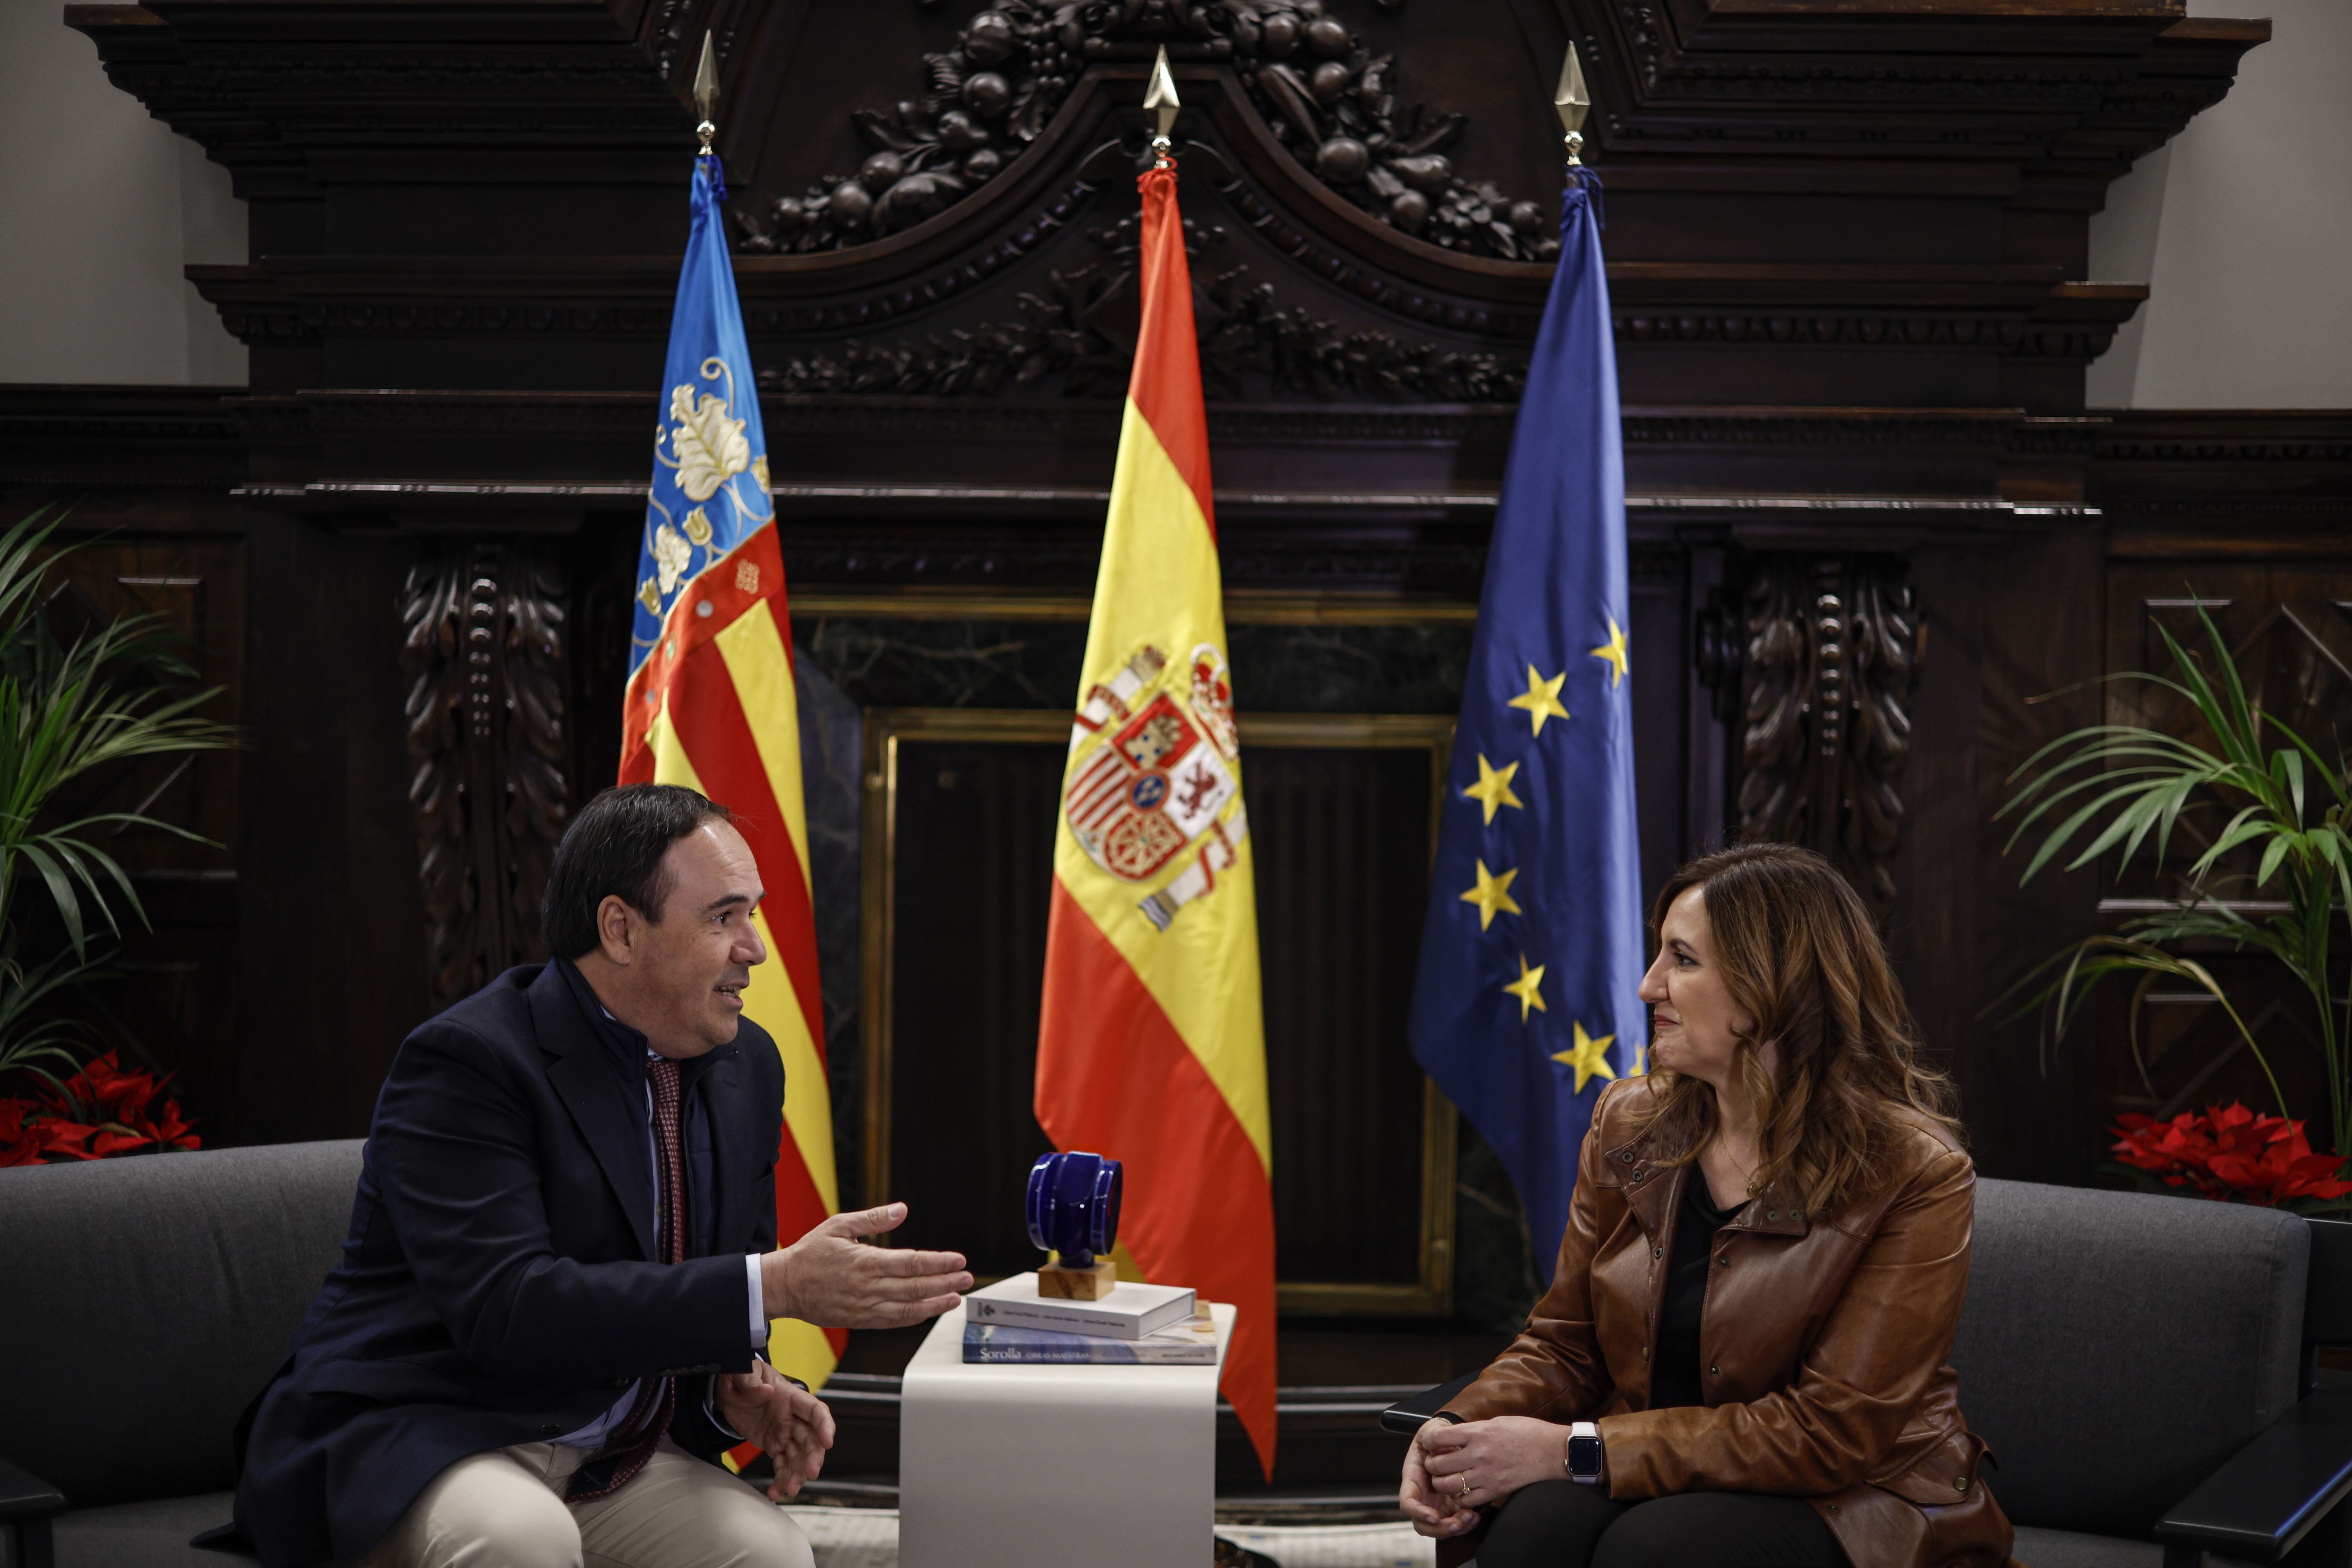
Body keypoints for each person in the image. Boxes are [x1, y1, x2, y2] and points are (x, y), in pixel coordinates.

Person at [233, 783, 974, 1568]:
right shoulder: (470, 1061)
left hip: (613, 1450)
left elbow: (708, 1286)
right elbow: (512, 1310)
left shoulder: (747, 1065)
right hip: (434, 1428)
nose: (755, 948)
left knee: (771, 1553)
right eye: (723, 917)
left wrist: (732, 1390)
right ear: (621, 929)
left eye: (752, 914)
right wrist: (778, 1286)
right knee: (521, 1539)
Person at [1400, 843, 2015, 1568]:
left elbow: (1832, 1432)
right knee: (1533, 1530)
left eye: (1682, 960)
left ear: (1770, 989)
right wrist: (1455, 1429)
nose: (1647, 986)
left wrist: (1577, 1449)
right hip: (1658, 1461)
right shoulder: (1628, 1123)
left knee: (1655, 1550)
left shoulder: (1916, 1172)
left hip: (1853, 1496)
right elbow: (1565, 1344)